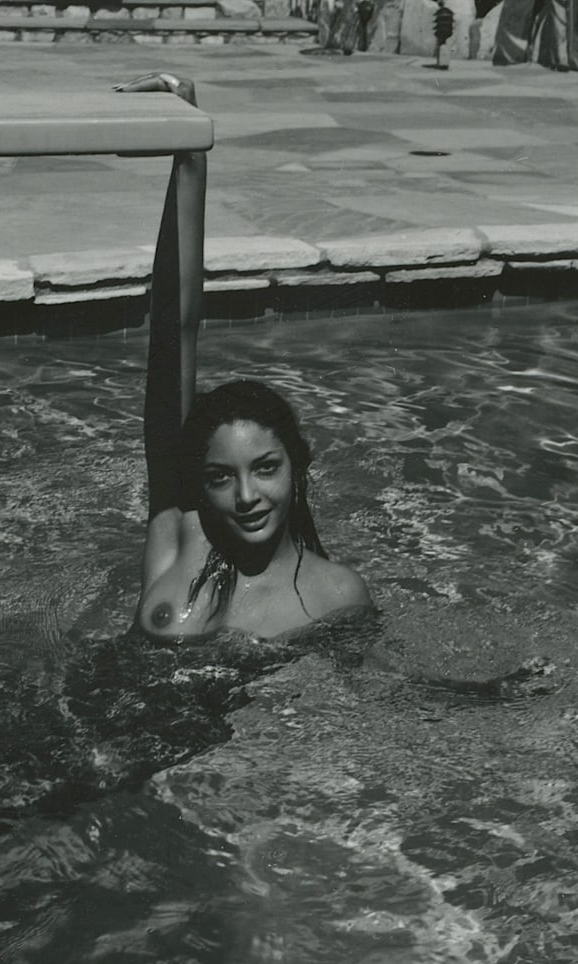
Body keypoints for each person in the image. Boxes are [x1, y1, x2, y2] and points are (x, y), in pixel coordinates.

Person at [115, 73, 372, 640]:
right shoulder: (181, 539)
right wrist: (188, 147)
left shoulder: (336, 595)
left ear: (298, 466)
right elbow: (173, 331)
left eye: (266, 467)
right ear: (198, 485)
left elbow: (380, 685)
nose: (247, 497)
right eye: (220, 477)